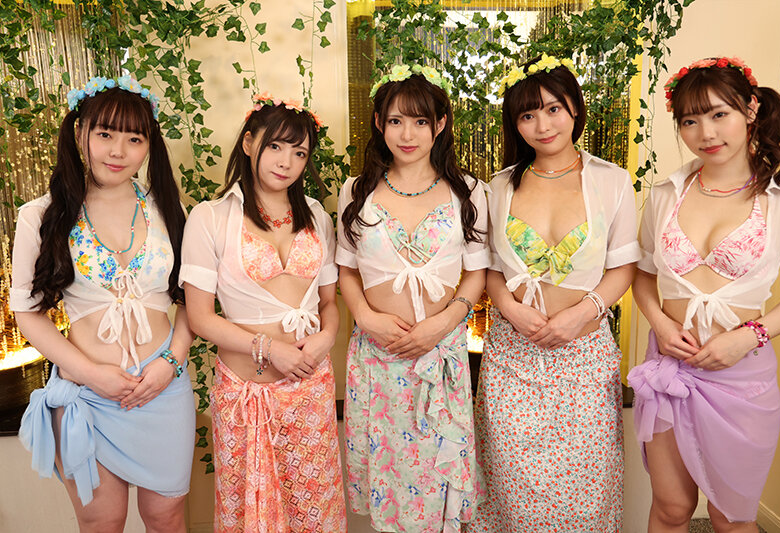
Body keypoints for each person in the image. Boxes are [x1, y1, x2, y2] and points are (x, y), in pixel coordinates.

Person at [11, 76, 194, 532]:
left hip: (162, 387)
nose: (118, 151)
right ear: (80, 134)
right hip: (87, 395)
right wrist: (93, 375)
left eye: (135, 138)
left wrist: (171, 362)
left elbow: (193, 300)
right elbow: (27, 313)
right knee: (102, 521)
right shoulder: (41, 215)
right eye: (105, 134)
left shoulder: (168, 209)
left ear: (149, 145)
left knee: (166, 517)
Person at [467, 54, 640, 532]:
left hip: (584, 356)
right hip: (511, 358)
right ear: (514, 123)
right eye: (527, 114)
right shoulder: (498, 186)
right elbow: (490, 269)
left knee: (585, 489)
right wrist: (508, 308)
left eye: (553, 109)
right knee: (510, 490)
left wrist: (582, 313)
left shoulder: (611, 180)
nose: (542, 125)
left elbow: (623, 267)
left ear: (574, 108)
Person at [628, 56, 780, 532]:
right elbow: (642, 275)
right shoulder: (665, 194)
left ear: (751, 109)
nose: (706, 133)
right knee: (671, 509)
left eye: (719, 114)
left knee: (731, 517)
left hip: (742, 377)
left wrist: (748, 337)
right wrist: (661, 325)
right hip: (671, 370)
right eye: (690, 121)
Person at [181, 92, 346, 532]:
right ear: (249, 142)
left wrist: (326, 338)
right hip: (245, 393)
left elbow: (330, 303)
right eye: (275, 146)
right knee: (249, 515)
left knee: (315, 510)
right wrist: (270, 349)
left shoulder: (316, 216)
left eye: (299, 152)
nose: (286, 162)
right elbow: (200, 317)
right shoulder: (211, 217)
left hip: (310, 388)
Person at [336, 64, 488, 533]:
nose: (408, 134)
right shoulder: (356, 191)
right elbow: (346, 270)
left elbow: (477, 274)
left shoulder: (469, 191)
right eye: (396, 121)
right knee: (391, 490)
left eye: (420, 121)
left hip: (440, 355)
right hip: (377, 359)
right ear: (379, 123)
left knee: (440, 484)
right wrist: (365, 317)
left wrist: (442, 325)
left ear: (439, 125)